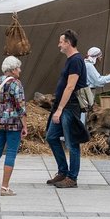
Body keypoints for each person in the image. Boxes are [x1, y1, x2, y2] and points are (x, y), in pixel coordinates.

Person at [46, 29, 88, 189]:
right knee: (51, 137)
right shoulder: (71, 60)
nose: (59, 45)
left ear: (68, 43)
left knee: (72, 143)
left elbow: (70, 87)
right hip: (62, 106)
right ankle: (63, 171)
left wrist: (60, 109)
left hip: (70, 107)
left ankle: (72, 177)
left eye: (61, 42)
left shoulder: (76, 60)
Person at [0, 56, 27, 196]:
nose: (19, 70)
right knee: (11, 152)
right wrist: (25, 126)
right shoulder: (16, 84)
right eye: (18, 68)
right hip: (13, 123)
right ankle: (4, 187)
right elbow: (21, 107)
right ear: (13, 70)